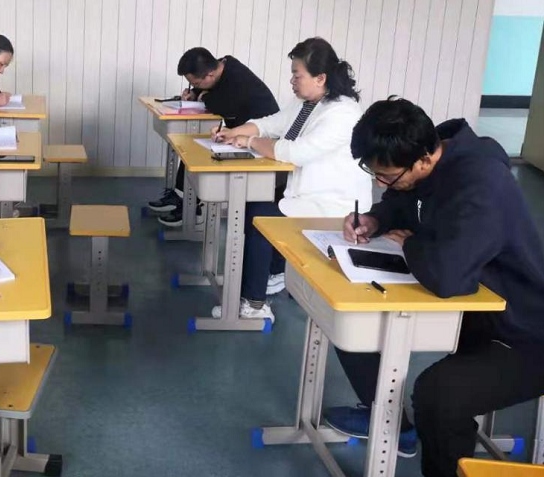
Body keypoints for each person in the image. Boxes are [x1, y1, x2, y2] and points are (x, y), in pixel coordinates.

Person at [324, 97, 544, 475]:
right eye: (374, 173)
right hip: (474, 314)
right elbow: (400, 201)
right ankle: (397, 427)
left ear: (425, 161)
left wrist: (411, 244)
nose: (380, 182)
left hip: (524, 332)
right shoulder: (422, 160)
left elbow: (446, 277)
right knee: (355, 321)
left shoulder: (482, 184)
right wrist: (375, 220)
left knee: (440, 395)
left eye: (385, 175)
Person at [213, 37, 372, 320]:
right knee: (257, 206)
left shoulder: (342, 113)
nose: (292, 81)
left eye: (297, 75)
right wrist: (234, 132)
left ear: (320, 78)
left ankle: (254, 304)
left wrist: (249, 142)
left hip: (332, 205)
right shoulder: (308, 103)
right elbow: (271, 124)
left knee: (260, 218)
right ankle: (271, 273)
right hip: (304, 194)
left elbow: (295, 152)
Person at [146, 47, 280, 228]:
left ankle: (192, 208)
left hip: (262, 140)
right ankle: (182, 198)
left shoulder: (237, 79)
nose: (194, 86)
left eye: (196, 83)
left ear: (209, 75)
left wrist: (204, 97)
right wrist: (194, 94)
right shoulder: (221, 67)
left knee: (202, 155)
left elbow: (220, 105)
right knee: (192, 148)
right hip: (240, 133)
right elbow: (211, 96)